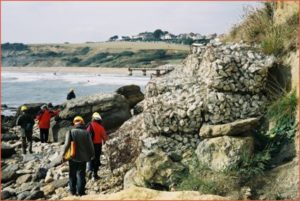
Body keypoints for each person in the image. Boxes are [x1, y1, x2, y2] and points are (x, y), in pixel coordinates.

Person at [61, 116, 95, 196]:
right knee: (81, 175)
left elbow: (66, 145)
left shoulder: (70, 132)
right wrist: (92, 154)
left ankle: (72, 191)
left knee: (72, 174)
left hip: (73, 157)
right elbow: (90, 145)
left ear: (74, 124)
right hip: (83, 158)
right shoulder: (86, 133)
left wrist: (63, 155)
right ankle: (81, 192)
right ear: (82, 123)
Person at [86, 112, 108, 180]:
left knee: (90, 158)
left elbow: (86, 135)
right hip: (98, 145)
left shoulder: (90, 125)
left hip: (90, 144)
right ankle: (95, 174)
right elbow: (105, 137)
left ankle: (89, 170)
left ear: (93, 118)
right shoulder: (101, 127)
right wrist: (104, 142)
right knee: (96, 159)